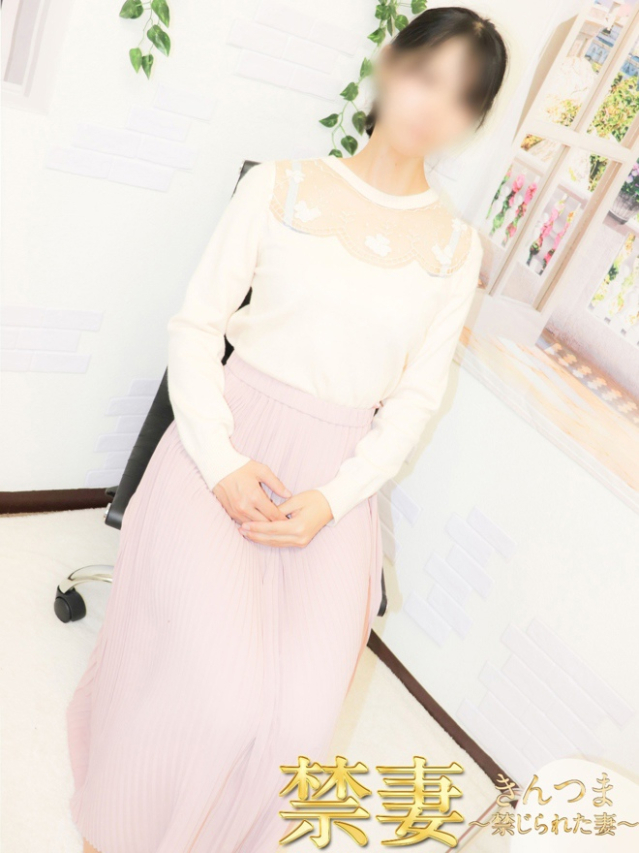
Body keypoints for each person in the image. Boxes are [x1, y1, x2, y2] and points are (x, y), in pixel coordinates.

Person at [66, 7, 508, 852]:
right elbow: (196, 326)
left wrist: (333, 500)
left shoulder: (455, 251)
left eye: (460, 97)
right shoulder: (279, 186)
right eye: (425, 75)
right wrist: (222, 462)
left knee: (300, 722)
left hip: (333, 483)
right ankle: (123, 826)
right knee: (222, 697)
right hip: (226, 446)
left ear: (471, 119)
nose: (432, 106)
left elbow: (415, 400)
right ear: (390, 64)